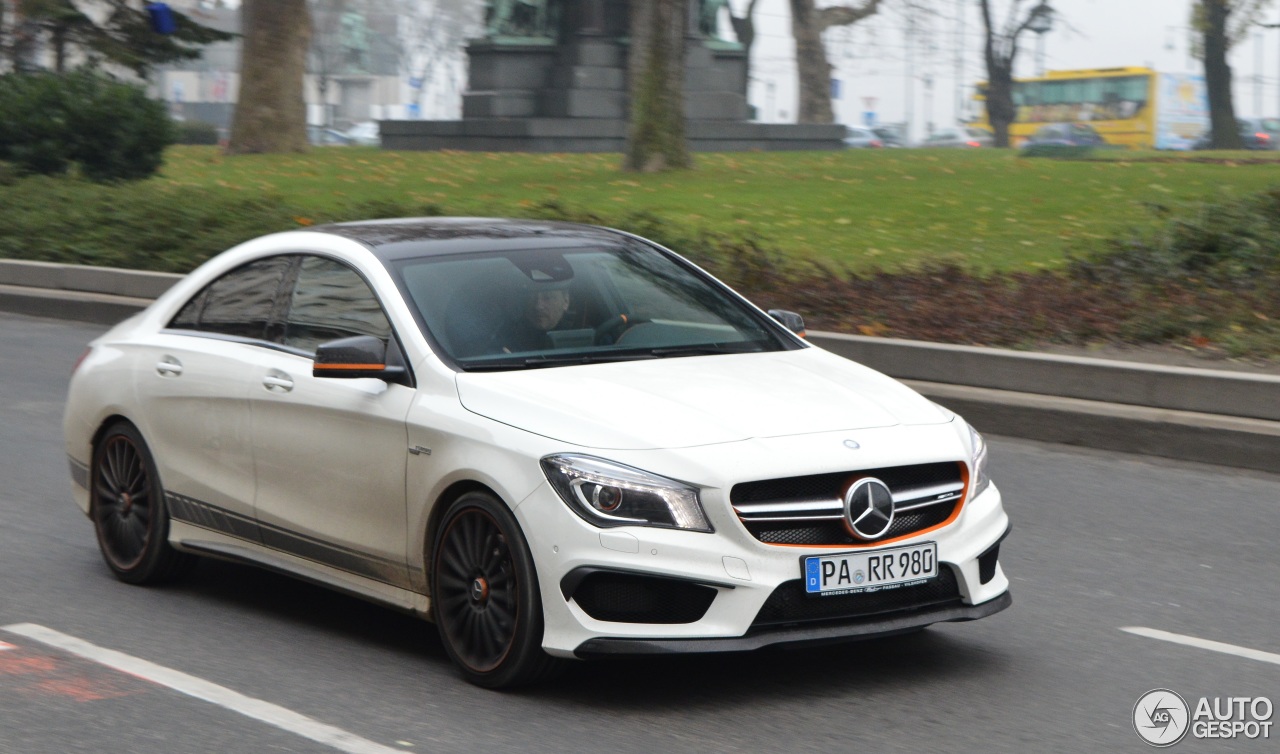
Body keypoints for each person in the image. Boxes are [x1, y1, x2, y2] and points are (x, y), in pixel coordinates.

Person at [500, 286, 570, 353]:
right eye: (531, 297)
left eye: (547, 298)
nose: (538, 306)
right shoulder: (506, 337)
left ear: (565, 301)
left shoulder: (577, 342)